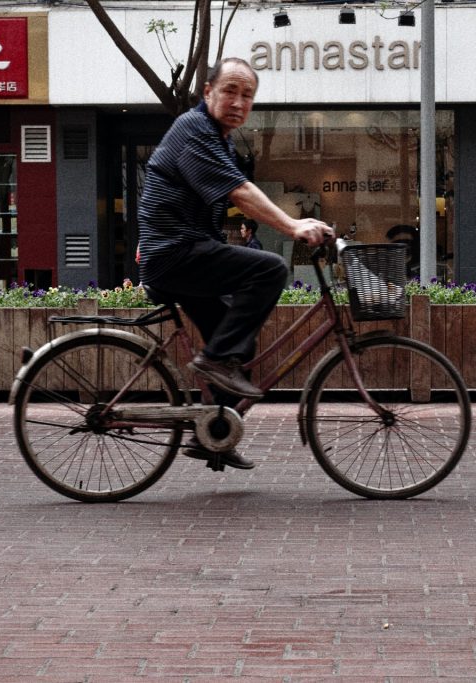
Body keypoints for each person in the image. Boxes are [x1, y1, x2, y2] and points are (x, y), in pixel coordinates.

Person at [137, 57, 332, 471]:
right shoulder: (194, 132)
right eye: (230, 90)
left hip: (179, 252)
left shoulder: (217, 139)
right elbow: (239, 192)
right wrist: (292, 224)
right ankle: (213, 363)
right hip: (175, 253)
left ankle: (215, 436)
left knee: (235, 349)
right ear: (207, 92)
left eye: (248, 95)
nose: (239, 102)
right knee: (270, 269)